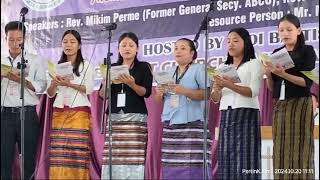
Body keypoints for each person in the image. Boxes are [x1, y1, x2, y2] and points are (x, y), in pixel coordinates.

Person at [264, 14, 316, 180]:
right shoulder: (276, 53)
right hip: (281, 105)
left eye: (289, 29)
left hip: (301, 104)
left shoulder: (307, 51)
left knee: (302, 146)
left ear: (299, 31)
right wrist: (269, 74)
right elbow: (272, 88)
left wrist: (283, 74)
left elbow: (306, 83)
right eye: (281, 30)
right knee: (280, 146)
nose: (285, 33)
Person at [154, 38, 212, 180]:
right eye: (176, 48)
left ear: (192, 53)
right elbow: (158, 101)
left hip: (192, 124)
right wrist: (159, 93)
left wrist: (184, 91)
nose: (178, 51)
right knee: (172, 166)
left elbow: (207, 94)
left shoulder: (199, 69)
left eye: (183, 48)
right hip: (171, 125)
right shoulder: (168, 71)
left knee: (193, 167)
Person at [99, 32, 153, 179]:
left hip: (135, 118)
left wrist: (132, 84)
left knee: (133, 157)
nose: (127, 48)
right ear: (118, 48)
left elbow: (146, 93)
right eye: (123, 45)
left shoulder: (143, 67)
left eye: (131, 45)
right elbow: (103, 95)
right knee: (113, 157)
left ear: (137, 49)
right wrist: (105, 83)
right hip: (115, 117)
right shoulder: (112, 67)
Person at [210, 27, 263, 180]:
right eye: (228, 41)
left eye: (235, 40)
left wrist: (228, 84)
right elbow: (215, 98)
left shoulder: (254, 64)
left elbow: (253, 92)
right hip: (226, 115)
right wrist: (218, 88)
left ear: (245, 43)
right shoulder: (222, 67)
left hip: (247, 114)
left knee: (246, 158)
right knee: (227, 158)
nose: (230, 44)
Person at [1, 21, 47, 180]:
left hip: (27, 114)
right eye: (11, 39)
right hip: (4, 115)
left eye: (18, 39)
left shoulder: (35, 60)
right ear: (5, 38)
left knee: (28, 161)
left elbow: (42, 86)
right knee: (3, 161)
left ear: (25, 39)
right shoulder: (1, 61)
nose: (15, 43)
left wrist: (22, 80)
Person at [46, 30, 95, 179]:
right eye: (65, 41)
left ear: (79, 45)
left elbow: (89, 89)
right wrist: (54, 83)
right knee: (59, 153)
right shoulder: (56, 66)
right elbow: (50, 93)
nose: (68, 45)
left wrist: (69, 84)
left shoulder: (86, 65)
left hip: (79, 112)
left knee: (77, 152)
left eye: (72, 42)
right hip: (59, 111)